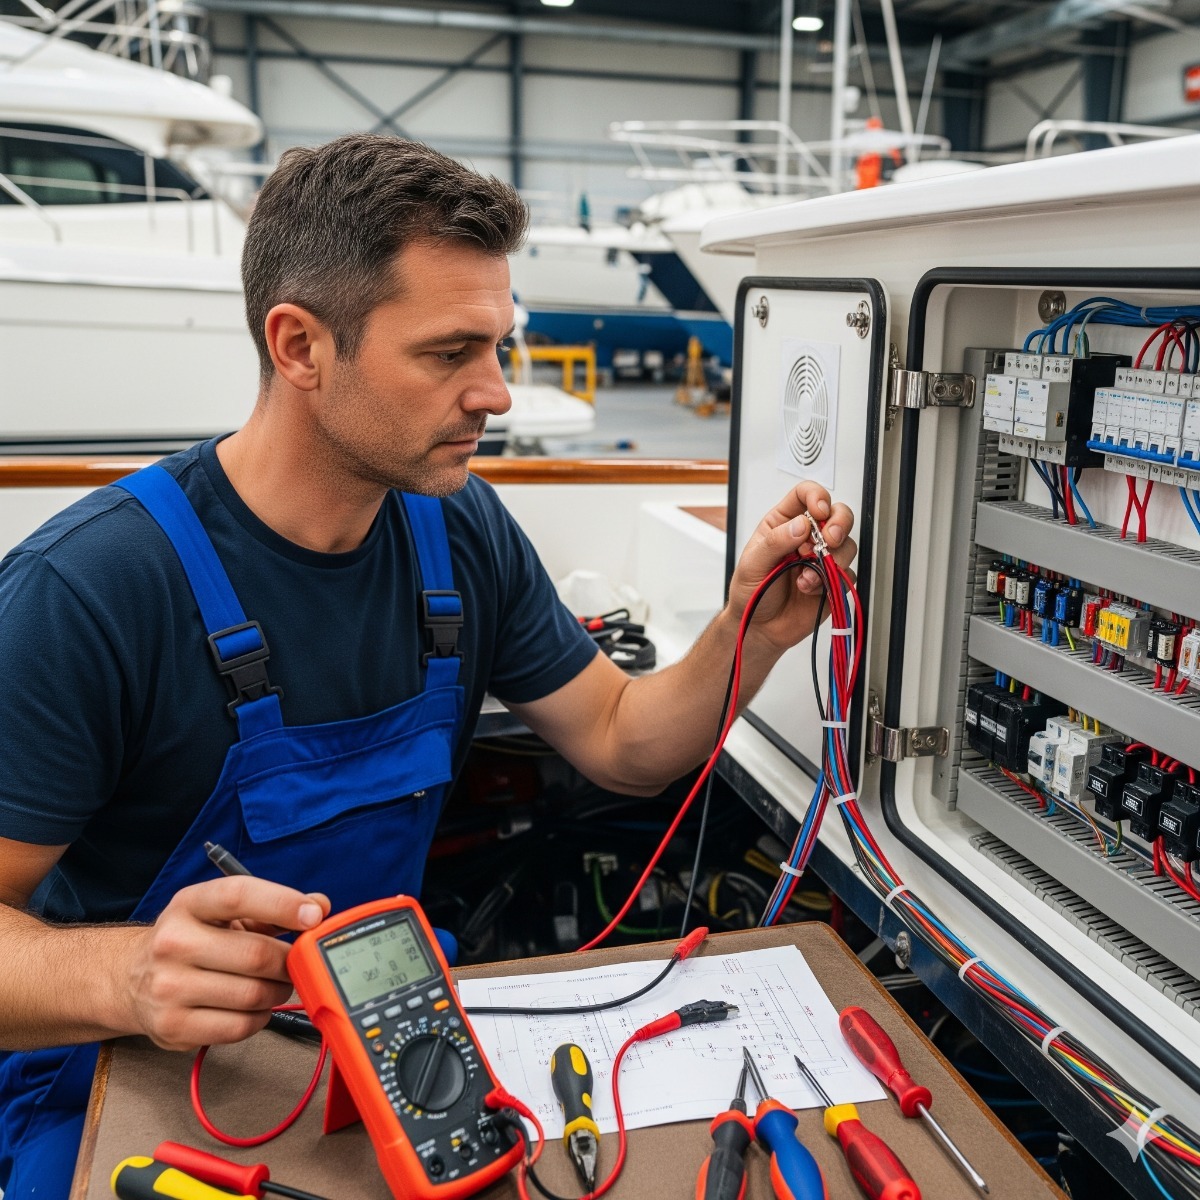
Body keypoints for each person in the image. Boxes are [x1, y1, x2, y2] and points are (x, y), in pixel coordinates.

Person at [0, 134, 856, 1199]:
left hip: (393, 1058)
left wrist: (752, 631)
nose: (495, 393)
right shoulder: (90, 591)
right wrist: (126, 973)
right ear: (301, 345)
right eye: (450, 353)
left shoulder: (460, 533)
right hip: (127, 1080)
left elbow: (624, 744)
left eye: (502, 347)